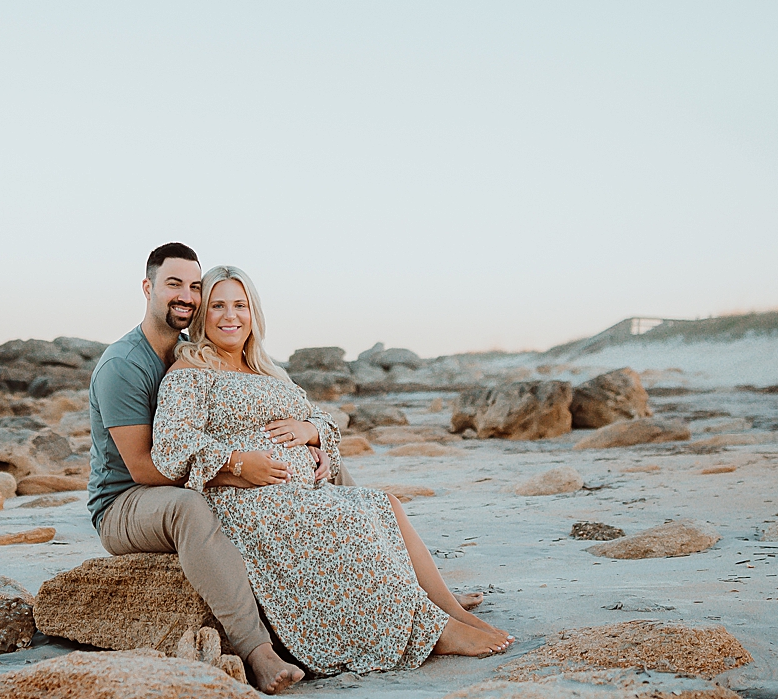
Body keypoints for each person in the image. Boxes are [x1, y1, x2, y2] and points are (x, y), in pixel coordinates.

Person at [150, 264, 514, 676]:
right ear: (202, 315)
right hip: (246, 501)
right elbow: (172, 445)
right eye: (218, 305)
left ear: (254, 312)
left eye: (240, 305)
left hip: (296, 493)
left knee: (384, 504)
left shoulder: (268, 370)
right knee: (348, 520)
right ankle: (438, 631)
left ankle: (444, 607)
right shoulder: (192, 372)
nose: (230, 316)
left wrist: (312, 432)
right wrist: (238, 462)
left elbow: (321, 420)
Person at [86, 242, 324, 694]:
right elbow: (143, 468)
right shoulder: (123, 365)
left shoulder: (190, 350)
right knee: (189, 507)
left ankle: (417, 599)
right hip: (124, 504)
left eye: (194, 286)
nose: (186, 295)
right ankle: (256, 650)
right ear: (148, 287)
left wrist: (308, 438)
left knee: (321, 478)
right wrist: (237, 469)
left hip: (183, 477)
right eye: (173, 284)